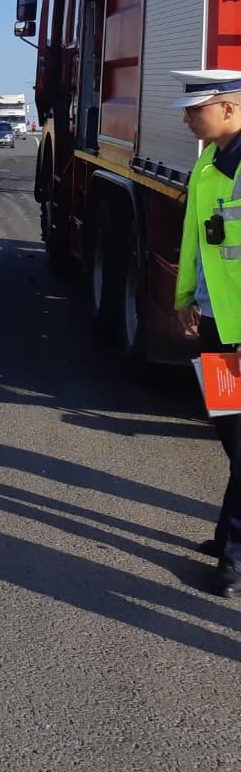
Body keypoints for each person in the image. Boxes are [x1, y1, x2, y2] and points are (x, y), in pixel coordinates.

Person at [171, 69, 241, 598]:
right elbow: (197, 241)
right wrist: (184, 298)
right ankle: (226, 539)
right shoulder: (207, 167)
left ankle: (234, 561)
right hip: (216, 327)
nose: (187, 117)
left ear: (230, 108)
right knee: (230, 433)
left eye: (196, 109)